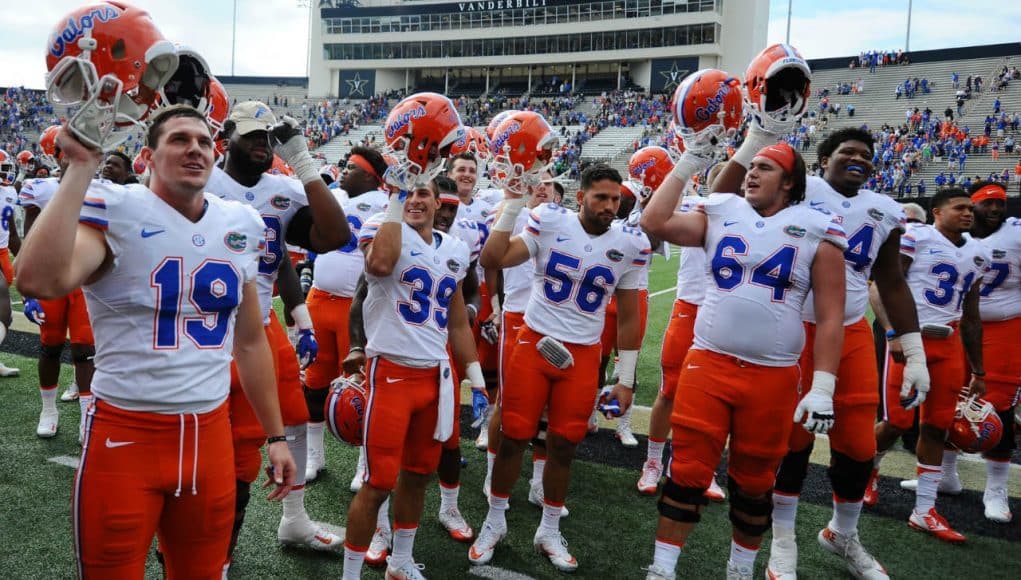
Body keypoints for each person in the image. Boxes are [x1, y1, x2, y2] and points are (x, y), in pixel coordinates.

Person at [14, 106, 296, 579]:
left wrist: (276, 437)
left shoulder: (240, 222)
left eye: (205, 141)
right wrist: (82, 167)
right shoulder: (118, 208)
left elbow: (249, 342)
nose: (195, 149)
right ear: (147, 155)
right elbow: (36, 279)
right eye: (180, 139)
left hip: (210, 439)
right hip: (126, 436)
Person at [640, 141, 847, 580]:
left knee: (754, 485)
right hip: (708, 364)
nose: (751, 173)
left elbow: (830, 318)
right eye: (751, 166)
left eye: (765, 168)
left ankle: (740, 571)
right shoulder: (721, 211)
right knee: (687, 473)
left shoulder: (817, 228)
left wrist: (823, 385)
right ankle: (661, 570)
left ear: (790, 182)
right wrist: (689, 160)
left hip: (772, 376)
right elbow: (653, 221)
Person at [728, 128, 923, 580]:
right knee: (791, 443)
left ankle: (842, 533)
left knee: (857, 445)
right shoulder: (801, 190)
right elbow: (735, 193)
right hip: (794, 326)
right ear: (823, 160)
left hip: (851, 331)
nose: (858, 158)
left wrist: (914, 350)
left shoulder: (884, 209)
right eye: (848, 152)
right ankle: (783, 540)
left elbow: (891, 280)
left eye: (866, 154)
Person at [470, 164, 649, 572]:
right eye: (601, 197)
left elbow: (627, 317)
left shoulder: (631, 242)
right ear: (580, 196)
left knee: (565, 445)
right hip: (534, 342)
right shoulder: (550, 220)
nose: (608, 206)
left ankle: (548, 528)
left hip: (584, 354)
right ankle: (494, 519)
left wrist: (624, 380)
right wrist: (513, 202)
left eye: (615, 199)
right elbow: (492, 257)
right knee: (514, 435)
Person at [206, 101, 349, 558]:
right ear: (227, 136)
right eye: (250, 135)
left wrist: (305, 164)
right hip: (204, 325)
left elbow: (327, 238)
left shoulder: (283, 191)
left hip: (260, 323)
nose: (260, 145)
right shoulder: (203, 178)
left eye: (266, 137)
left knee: (290, 417)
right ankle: (207, 551)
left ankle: (295, 520)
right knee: (218, 443)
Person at [341, 180, 479, 580]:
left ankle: (400, 561)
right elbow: (380, 265)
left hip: (435, 375)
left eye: (424, 193)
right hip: (392, 372)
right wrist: (396, 200)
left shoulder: (454, 248)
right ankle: (350, 574)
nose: (416, 200)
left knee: (419, 474)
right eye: (408, 192)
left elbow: (456, 321)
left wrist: (475, 377)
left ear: (440, 202)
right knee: (378, 480)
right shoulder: (383, 226)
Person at [870, 187, 989, 543]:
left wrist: (979, 370)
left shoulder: (977, 253)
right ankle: (867, 474)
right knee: (895, 422)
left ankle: (924, 509)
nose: (968, 213)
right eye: (959, 207)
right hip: (911, 339)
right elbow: (880, 287)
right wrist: (892, 333)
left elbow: (971, 316)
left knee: (937, 426)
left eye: (970, 208)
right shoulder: (915, 237)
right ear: (936, 211)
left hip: (949, 344)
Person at [302, 146, 390, 485]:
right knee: (314, 383)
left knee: (363, 387)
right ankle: (314, 456)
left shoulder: (385, 204)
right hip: (318, 300)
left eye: (351, 166)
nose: (343, 169)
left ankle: (363, 462)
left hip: (356, 308)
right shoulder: (334, 196)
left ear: (370, 175)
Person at [19, 144, 95, 439]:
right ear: (57, 155)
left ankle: (86, 416)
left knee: (84, 351)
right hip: (51, 278)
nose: (71, 158)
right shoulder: (38, 187)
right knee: (50, 346)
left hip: (83, 280)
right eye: (65, 153)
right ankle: (48, 409)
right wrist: (29, 292)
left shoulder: (102, 189)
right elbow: (28, 238)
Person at [965, 181, 1019, 523]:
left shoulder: (1015, 232)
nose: (996, 209)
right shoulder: (959, 234)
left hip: (1005, 327)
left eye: (1000, 203)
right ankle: (946, 474)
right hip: (960, 327)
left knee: (997, 407)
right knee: (950, 403)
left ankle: (996, 488)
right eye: (988, 203)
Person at [0, 154, 20, 377]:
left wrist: (21, 256)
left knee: (6, 316)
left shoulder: (10, 191)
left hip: (3, 252)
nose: (6, 172)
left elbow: (12, 231)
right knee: (2, 312)